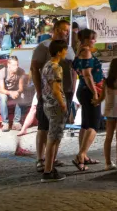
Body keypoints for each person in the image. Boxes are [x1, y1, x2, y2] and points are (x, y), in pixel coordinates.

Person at [30, 18, 74, 173]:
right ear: (55, 29)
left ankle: (52, 158)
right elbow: (34, 68)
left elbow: (72, 69)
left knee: (57, 129)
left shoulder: (68, 48)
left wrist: (72, 91)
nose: (66, 33)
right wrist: (39, 91)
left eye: (68, 31)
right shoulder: (44, 47)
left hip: (66, 91)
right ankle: (41, 159)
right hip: (50, 94)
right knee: (44, 126)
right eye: (64, 30)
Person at [72, 29, 102, 170]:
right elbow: (87, 75)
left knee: (85, 124)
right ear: (85, 40)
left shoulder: (80, 52)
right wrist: (95, 93)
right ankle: (81, 155)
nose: (94, 41)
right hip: (88, 91)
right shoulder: (86, 52)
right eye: (92, 38)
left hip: (83, 90)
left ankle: (83, 156)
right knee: (93, 125)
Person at [40, 40, 69, 182]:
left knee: (53, 137)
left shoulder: (46, 65)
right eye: (64, 50)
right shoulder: (56, 67)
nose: (66, 52)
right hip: (55, 105)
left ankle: (50, 167)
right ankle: (48, 171)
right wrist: (63, 104)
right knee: (53, 138)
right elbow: (56, 89)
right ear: (59, 52)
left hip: (47, 104)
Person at [0, 56, 28, 132]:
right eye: (13, 65)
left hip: (13, 91)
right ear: (8, 65)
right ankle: (5, 123)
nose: (16, 67)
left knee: (22, 95)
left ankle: (16, 122)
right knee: (3, 97)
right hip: (1, 92)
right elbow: (2, 89)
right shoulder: (2, 72)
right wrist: (10, 93)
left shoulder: (21, 71)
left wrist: (17, 92)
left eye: (17, 65)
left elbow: (21, 88)